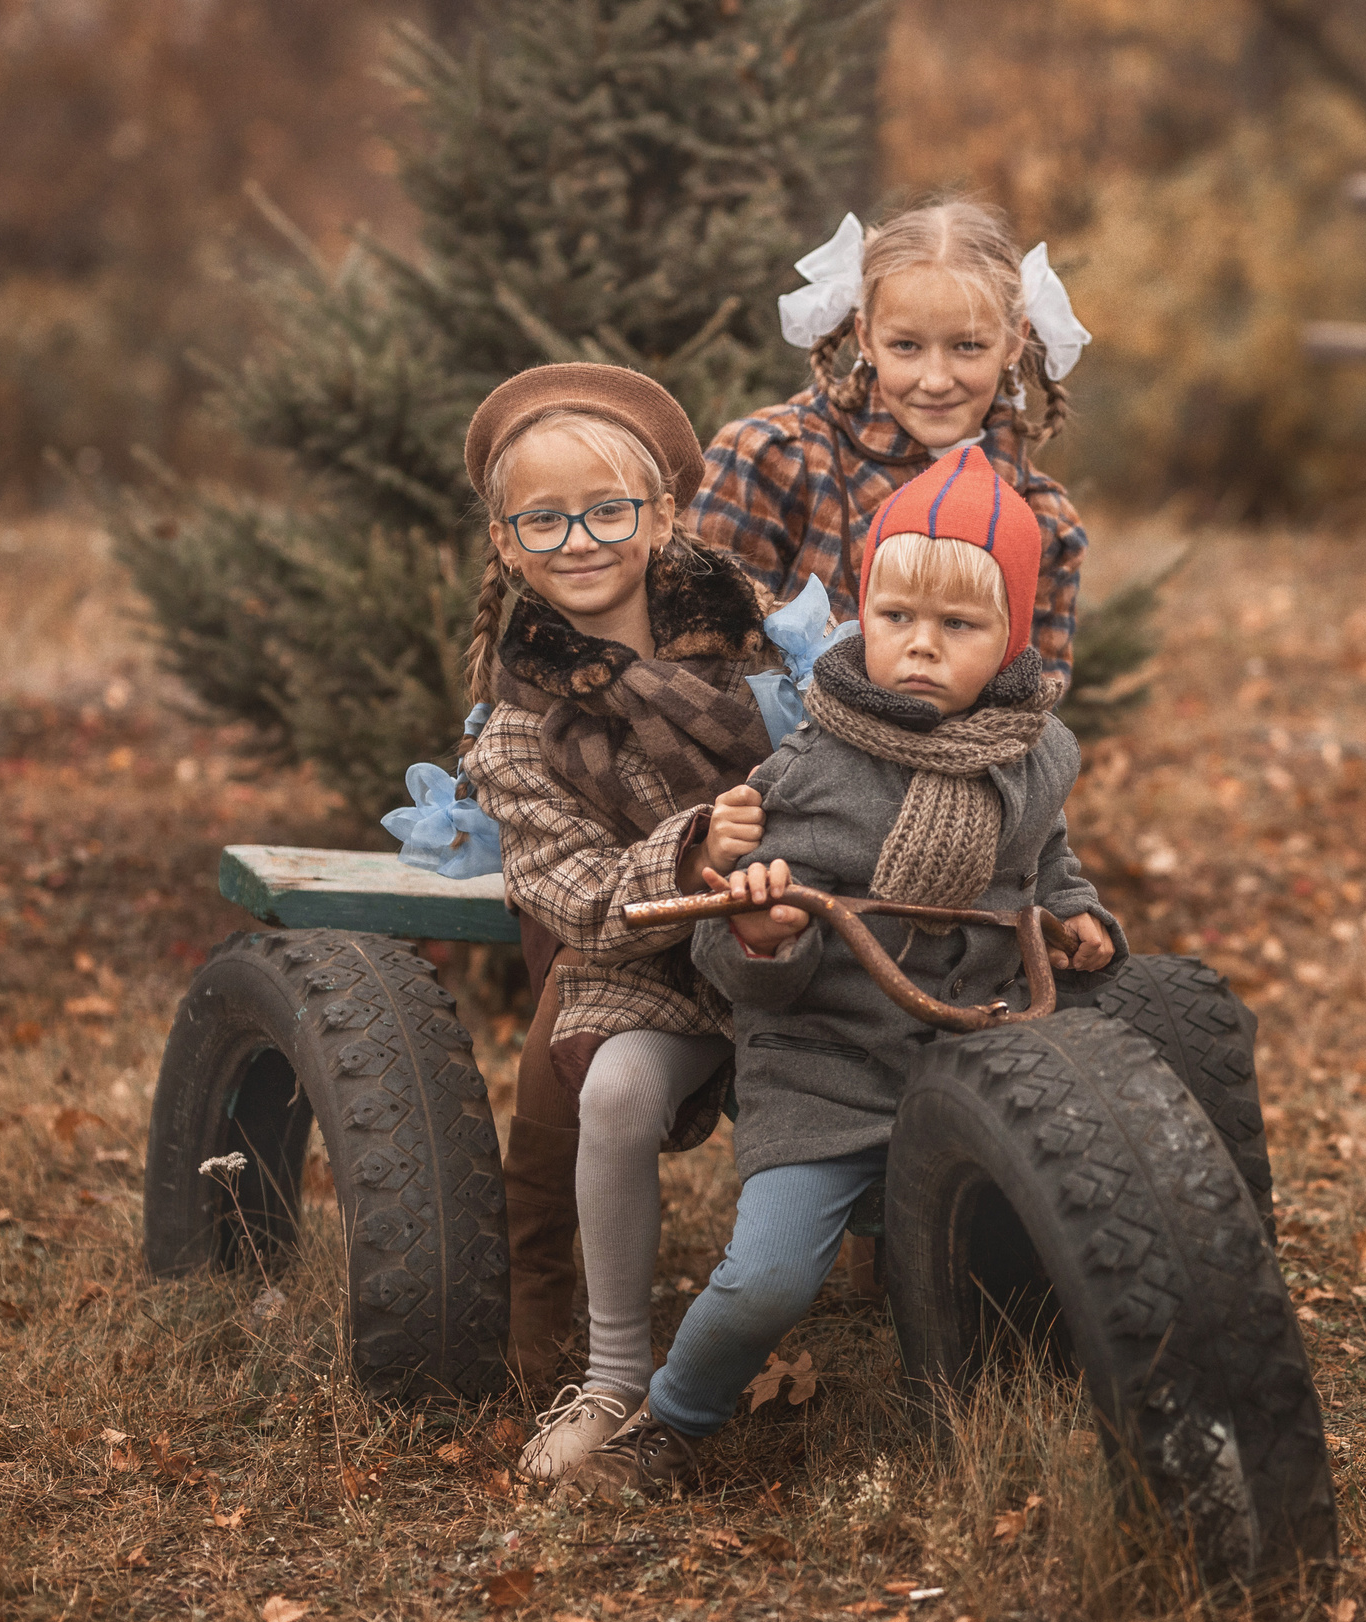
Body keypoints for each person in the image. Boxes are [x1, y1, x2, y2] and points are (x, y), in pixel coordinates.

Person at [562, 449, 1122, 1499]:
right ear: (864, 610)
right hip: (829, 1069)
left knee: (1047, 1249)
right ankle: (669, 1421)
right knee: (764, 1282)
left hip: (978, 1057)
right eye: (898, 614)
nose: (920, 645)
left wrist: (1081, 920)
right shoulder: (811, 767)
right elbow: (728, 961)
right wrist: (767, 933)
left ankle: (1010, 1404)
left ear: (1012, 636)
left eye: (957, 627)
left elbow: (1045, 862)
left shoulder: (1035, 755)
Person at [456, 363, 776, 1482]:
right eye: (543, 518)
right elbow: (583, 900)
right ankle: (613, 1375)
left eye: (607, 509)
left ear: (664, 515)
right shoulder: (514, 731)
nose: (579, 538)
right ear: (505, 542)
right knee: (617, 1091)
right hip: (650, 957)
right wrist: (692, 850)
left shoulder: (763, 646)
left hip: (798, 930)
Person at [690, 197, 1092, 696]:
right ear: (866, 337)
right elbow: (701, 665)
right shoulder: (770, 458)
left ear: (1014, 342)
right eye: (907, 345)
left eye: (967, 346)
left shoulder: (1044, 519)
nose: (936, 379)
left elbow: (1030, 717)